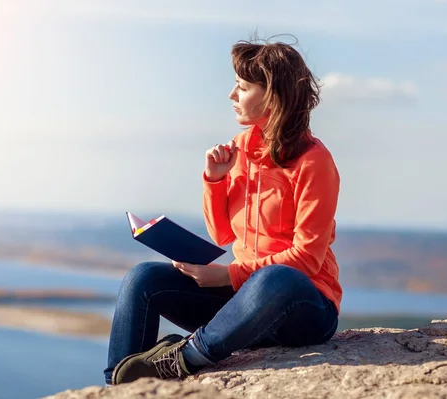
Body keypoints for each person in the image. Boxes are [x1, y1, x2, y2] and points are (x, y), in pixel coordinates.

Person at [104, 37, 342, 386]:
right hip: (242, 306)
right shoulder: (242, 147)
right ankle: (117, 385)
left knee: (276, 278)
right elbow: (222, 235)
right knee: (142, 279)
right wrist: (214, 181)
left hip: (303, 307)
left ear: (273, 96)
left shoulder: (314, 163)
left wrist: (229, 276)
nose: (232, 96)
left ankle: (184, 359)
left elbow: (307, 258)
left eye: (243, 87)